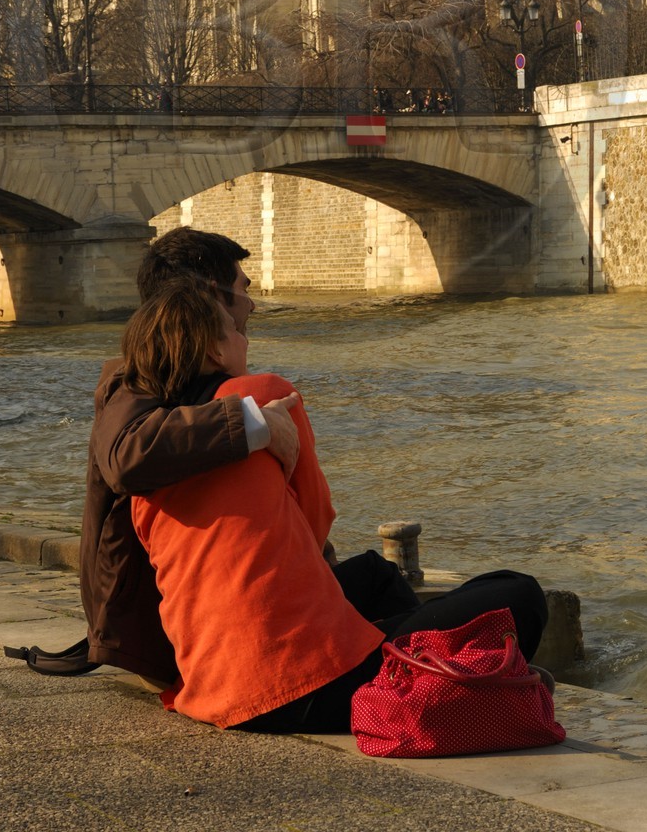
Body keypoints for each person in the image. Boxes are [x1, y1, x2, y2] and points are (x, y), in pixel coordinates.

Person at [127, 276, 549, 733]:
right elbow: (317, 522)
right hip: (299, 684)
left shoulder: (152, 461)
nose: (244, 338)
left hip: (211, 686)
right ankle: (428, 679)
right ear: (214, 350)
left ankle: (416, 668)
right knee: (519, 592)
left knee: (373, 572)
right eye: (234, 329)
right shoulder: (263, 394)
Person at [79, 229, 301, 683]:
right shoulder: (135, 381)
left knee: (376, 581)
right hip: (162, 637)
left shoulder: (190, 380)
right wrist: (251, 422)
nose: (251, 306)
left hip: (188, 618)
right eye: (243, 289)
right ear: (212, 298)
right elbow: (126, 456)